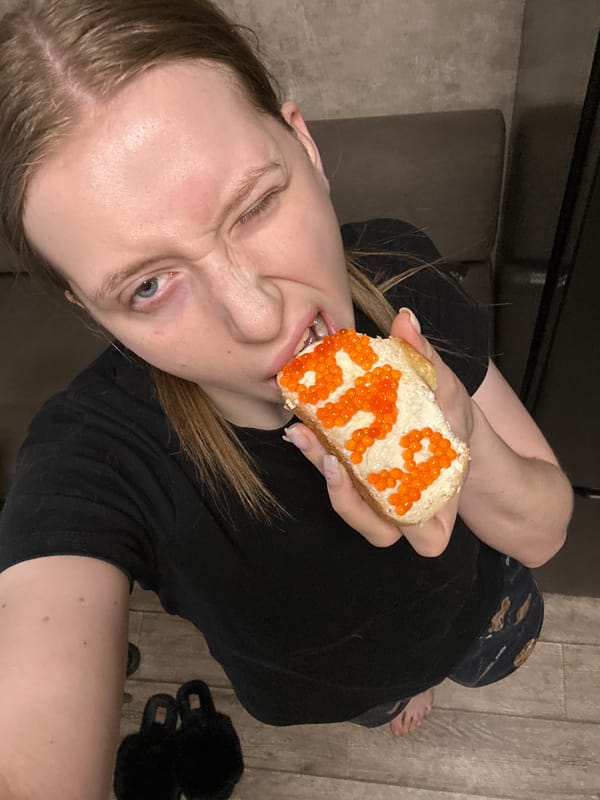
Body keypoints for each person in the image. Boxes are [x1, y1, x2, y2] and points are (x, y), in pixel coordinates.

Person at [0, 1, 573, 798]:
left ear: (305, 143)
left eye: (257, 204)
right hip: (332, 690)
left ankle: (424, 677)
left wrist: (458, 436)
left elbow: (544, 533)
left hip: (475, 613)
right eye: (150, 285)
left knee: (470, 654)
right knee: (377, 698)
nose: (260, 315)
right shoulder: (91, 460)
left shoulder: (403, 280)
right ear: (88, 311)